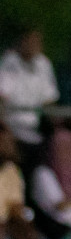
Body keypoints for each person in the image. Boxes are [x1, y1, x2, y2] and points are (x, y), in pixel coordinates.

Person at [0, 28, 58, 167]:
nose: (33, 45)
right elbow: (1, 97)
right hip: (10, 129)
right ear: (21, 41)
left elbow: (49, 99)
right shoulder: (8, 62)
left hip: (35, 131)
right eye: (29, 40)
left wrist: (55, 124)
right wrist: (5, 130)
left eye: (36, 42)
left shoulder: (44, 64)